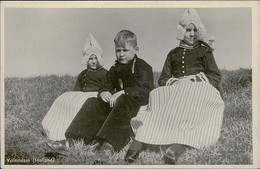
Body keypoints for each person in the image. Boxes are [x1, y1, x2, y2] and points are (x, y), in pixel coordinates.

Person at [125, 8, 225, 164]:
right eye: (187, 30)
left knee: (191, 98)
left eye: (194, 30)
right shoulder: (173, 53)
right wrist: (176, 81)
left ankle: (177, 146)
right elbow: (164, 78)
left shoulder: (205, 51)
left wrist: (193, 81)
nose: (191, 34)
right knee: (156, 95)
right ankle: (140, 141)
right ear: (181, 31)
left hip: (198, 88)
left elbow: (215, 75)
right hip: (176, 87)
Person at [65, 30, 154, 155]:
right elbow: (105, 85)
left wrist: (124, 92)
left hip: (134, 104)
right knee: (93, 102)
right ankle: (74, 139)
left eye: (125, 50)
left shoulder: (143, 67)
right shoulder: (114, 69)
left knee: (123, 100)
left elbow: (146, 90)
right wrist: (104, 92)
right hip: (117, 104)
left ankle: (108, 144)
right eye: (118, 50)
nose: (121, 54)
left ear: (136, 50)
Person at [42, 33, 107, 148]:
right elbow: (77, 88)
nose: (93, 61)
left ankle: (75, 136)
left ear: (99, 59)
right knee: (63, 100)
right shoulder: (83, 74)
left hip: (95, 95)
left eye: (95, 58)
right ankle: (55, 130)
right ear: (86, 60)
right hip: (81, 94)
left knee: (81, 104)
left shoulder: (104, 72)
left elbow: (106, 87)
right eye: (90, 59)